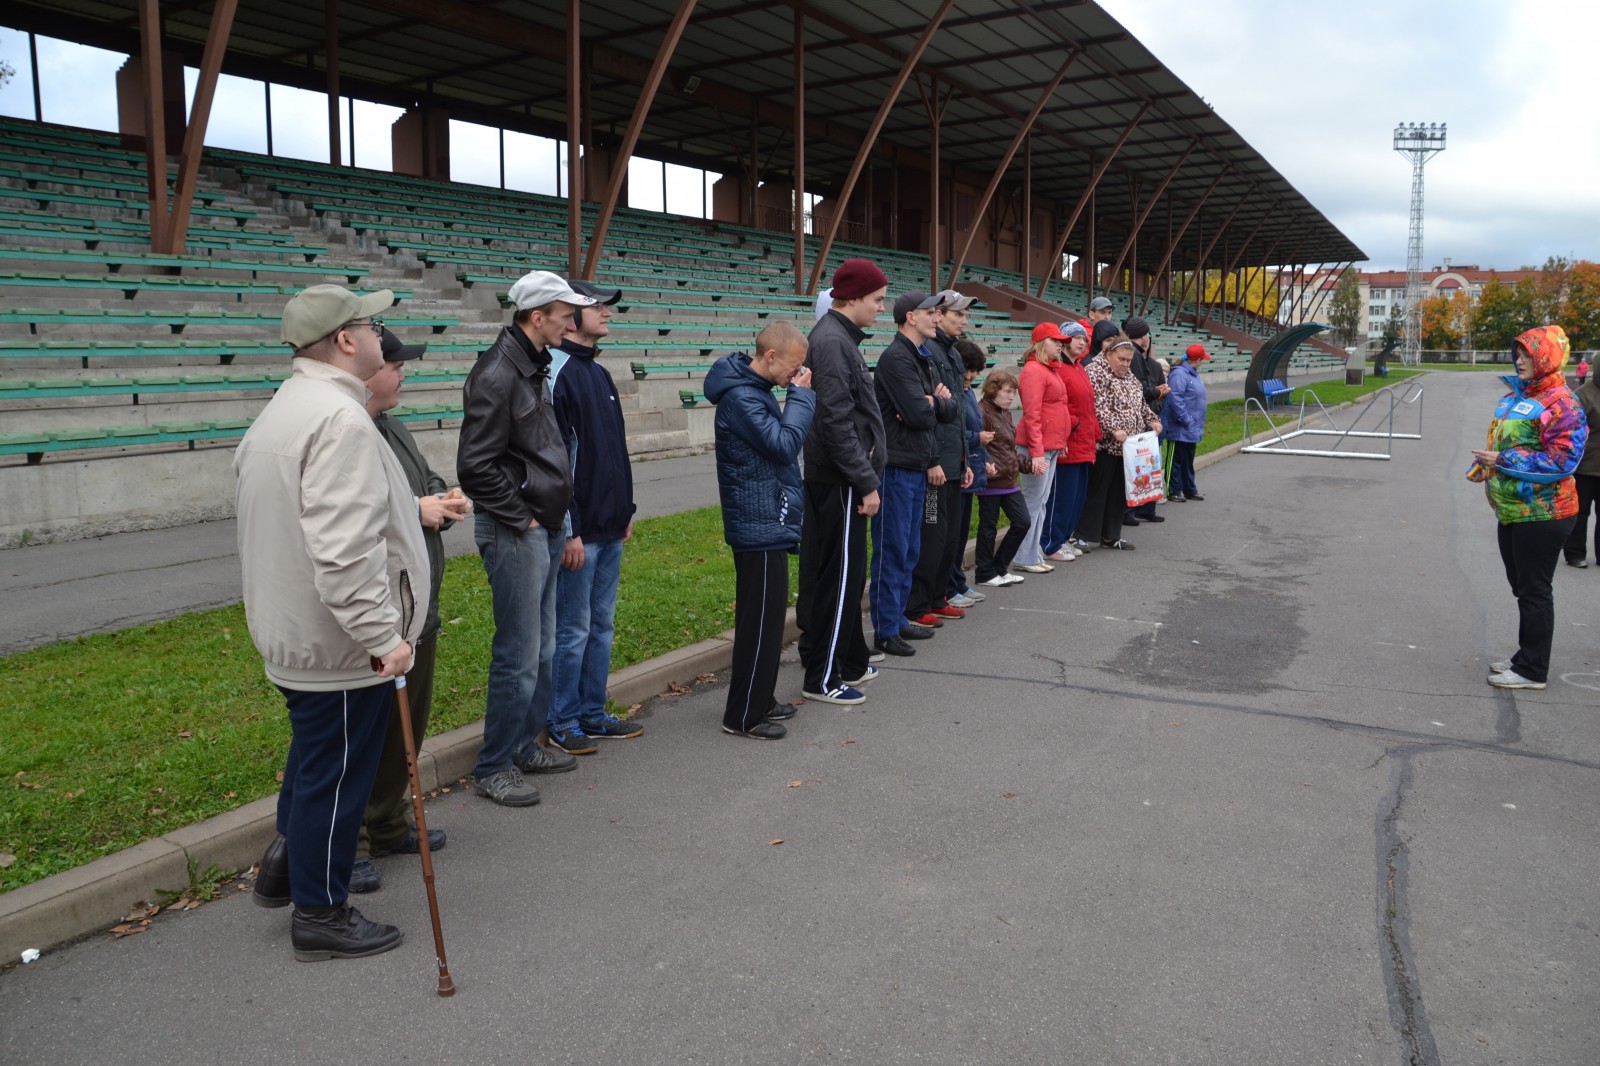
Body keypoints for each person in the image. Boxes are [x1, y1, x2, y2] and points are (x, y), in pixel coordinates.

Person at [239, 284, 426, 962]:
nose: (380, 336)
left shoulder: (290, 406)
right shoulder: (339, 420)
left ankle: (286, 870)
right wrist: (382, 637)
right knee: (337, 777)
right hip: (337, 643)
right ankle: (321, 912)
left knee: (315, 761)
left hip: (299, 630)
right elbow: (346, 553)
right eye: (372, 325)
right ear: (346, 340)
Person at [456, 271, 588, 807]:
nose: (571, 325)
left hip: (541, 525)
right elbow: (475, 466)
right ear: (538, 317)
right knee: (519, 652)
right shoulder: (497, 373)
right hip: (517, 528)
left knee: (543, 647)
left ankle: (523, 746)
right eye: (565, 316)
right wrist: (523, 518)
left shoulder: (532, 365)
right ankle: (494, 765)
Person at [348, 329, 469, 896]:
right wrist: (412, 508)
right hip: (378, 612)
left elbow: (424, 478)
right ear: (366, 370)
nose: (402, 373)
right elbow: (348, 518)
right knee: (361, 735)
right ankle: (347, 845)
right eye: (394, 364)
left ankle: (388, 823)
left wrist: (443, 496)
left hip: (417, 606)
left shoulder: (392, 427)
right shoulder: (348, 432)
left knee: (406, 728)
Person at [706, 322, 817, 739]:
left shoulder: (755, 390)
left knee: (769, 623)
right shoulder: (742, 398)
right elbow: (784, 446)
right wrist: (801, 398)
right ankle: (743, 716)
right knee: (759, 624)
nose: (798, 372)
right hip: (757, 523)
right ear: (771, 356)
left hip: (766, 519)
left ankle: (761, 698)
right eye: (795, 364)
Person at [547, 279, 643, 756]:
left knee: (601, 625)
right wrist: (570, 529)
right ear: (570, 316)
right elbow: (557, 462)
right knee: (574, 629)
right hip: (579, 532)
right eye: (597, 306)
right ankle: (562, 719)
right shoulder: (557, 372)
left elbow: (613, 453)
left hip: (610, 524)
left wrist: (625, 509)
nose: (607, 312)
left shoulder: (599, 373)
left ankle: (591, 712)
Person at [1470, 325, 1586, 690]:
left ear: (1545, 359)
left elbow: (1563, 461)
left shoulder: (1563, 403)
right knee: (1522, 587)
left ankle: (1533, 670)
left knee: (1534, 589)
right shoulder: (1516, 396)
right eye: (1517, 354)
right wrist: (1485, 464)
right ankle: (1525, 656)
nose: (1519, 361)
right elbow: (1504, 444)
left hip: (1544, 513)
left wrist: (1503, 460)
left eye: (1527, 356)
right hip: (1512, 509)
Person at [797, 259, 888, 678]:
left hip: (841, 477)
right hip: (839, 479)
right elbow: (835, 421)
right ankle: (824, 675)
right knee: (840, 578)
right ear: (852, 298)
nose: (881, 308)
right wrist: (865, 481)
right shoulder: (833, 341)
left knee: (847, 576)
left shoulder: (839, 338)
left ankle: (850, 661)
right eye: (877, 299)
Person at [871, 290, 954, 660]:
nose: (937, 318)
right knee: (893, 550)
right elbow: (921, 415)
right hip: (896, 467)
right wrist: (932, 403)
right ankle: (886, 629)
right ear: (910, 317)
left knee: (910, 549)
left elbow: (948, 408)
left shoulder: (922, 356)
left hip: (916, 464)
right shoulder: (896, 359)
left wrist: (934, 402)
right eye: (931, 312)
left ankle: (898, 617)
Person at [908, 290, 976, 623]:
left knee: (949, 538)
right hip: (935, 466)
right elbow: (930, 412)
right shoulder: (930, 352)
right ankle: (919, 604)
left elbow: (956, 412)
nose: (963, 320)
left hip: (954, 463)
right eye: (957, 314)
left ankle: (938, 596)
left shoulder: (953, 353)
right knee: (932, 535)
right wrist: (933, 460)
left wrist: (965, 460)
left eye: (964, 315)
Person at [1080, 334, 1161, 551]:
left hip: (1128, 447)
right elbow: (1096, 407)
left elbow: (1140, 405)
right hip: (1106, 445)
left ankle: (1111, 535)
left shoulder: (1130, 376)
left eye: (1128, 360)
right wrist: (1113, 429)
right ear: (1108, 354)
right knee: (1097, 491)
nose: (1125, 364)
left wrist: (1152, 420)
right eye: (1121, 359)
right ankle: (1083, 535)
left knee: (1118, 493)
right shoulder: (1095, 372)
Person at [1011, 322, 1072, 574]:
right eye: (1054, 340)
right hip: (1038, 448)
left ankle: (1032, 553)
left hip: (1050, 446)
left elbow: (1057, 410)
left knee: (1041, 502)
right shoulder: (1034, 370)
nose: (1060, 345)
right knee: (1033, 502)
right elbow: (1032, 415)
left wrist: (1061, 442)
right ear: (1040, 343)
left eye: (1061, 342)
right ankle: (1024, 556)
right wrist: (1037, 453)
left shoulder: (1049, 369)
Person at [1041, 320, 1097, 561]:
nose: (1082, 342)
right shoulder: (1060, 369)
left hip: (1084, 443)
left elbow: (1088, 407)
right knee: (1062, 496)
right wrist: (1073, 424)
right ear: (1064, 341)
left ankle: (1064, 538)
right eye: (1076, 338)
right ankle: (1051, 543)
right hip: (1068, 442)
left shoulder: (1079, 367)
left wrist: (1095, 434)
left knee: (1076, 498)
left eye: (1084, 338)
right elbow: (1058, 404)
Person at [974, 369, 1030, 587]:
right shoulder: (982, 412)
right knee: (988, 526)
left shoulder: (1004, 413)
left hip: (1009, 478)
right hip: (992, 479)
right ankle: (984, 573)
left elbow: (1008, 449)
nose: (1011, 397)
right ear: (993, 389)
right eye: (1007, 391)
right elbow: (977, 445)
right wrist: (986, 464)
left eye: (1013, 392)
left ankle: (999, 567)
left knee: (1023, 521)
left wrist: (1027, 464)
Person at [947, 338, 991, 607]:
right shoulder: (952, 393)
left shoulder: (968, 393)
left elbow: (973, 428)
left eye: (975, 371)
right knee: (951, 535)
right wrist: (977, 439)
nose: (971, 376)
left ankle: (957, 580)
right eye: (968, 369)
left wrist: (985, 458)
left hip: (970, 468)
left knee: (961, 533)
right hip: (956, 470)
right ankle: (948, 585)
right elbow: (955, 433)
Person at [1123, 317, 1168, 527]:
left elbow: (1151, 390)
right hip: (1138, 423)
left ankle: (1145, 508)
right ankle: (1130, 511)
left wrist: (1158, 402)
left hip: (1150, 419)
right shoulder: (1135, 358)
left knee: (1148, 467)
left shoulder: (1150, 363)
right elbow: (1142, 391)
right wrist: (1158, 393)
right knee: (1137, 467)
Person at [1563, 364, 1600, 568]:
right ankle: (1575, 554)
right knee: (1579, 512)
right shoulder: (1582, 395)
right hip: (1585, 468)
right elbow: (1570, 429)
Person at [1163, 344, 1210, 503]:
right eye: (1202, 359)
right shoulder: (1179, 374)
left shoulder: (1193, 374)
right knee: (1175, 460)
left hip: (1192, 426)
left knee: (1188, 460)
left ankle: (1189, 489)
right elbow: (1175, 399)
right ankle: (1173, 490)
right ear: (1197, 359)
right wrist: (1186, 419)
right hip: (1181, 426)